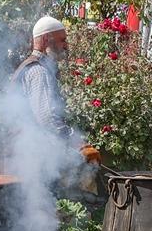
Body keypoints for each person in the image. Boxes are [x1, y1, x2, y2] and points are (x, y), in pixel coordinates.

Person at [12, 15, 101, 164]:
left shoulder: (38, 67)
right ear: (46, 39)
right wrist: (80, 145)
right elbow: (48, 119)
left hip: (25, 156)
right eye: (62, 40)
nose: (66, 46)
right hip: (31, 159)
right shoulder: (39, 71)